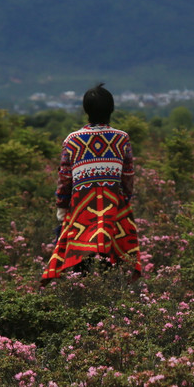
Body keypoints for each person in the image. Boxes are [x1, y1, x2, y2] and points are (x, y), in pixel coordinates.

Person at [41, 83, 141, 284]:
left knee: (81, 255)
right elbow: (128, 174)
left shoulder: (73, 140)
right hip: (114, 205)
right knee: (111, 255)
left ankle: (83, 291)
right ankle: (111, 294)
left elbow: (65, 177)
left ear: (86, 110)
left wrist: (61, 206)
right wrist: (126, 200)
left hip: (82, 207)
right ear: (111, 109)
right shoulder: (122, 138)